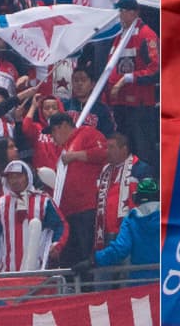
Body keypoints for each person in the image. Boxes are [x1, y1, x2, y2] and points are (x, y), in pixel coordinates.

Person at [43, 112, 107, 268]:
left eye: (53, 131)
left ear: (64, 126)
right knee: (70, 259)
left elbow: (104, 153)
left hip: (86, 209)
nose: (52, 136)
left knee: (84, 255)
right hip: (68, 214)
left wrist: (77, 155)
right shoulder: (62, 150)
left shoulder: (86, 133)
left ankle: (88, 290)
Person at [104, 0, 157, 170]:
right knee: (124, 153)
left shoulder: (146, 34)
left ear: (134, 12)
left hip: (139, 105)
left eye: (124, 11)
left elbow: (155, 70)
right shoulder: (120, 36)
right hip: (120, 105)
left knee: (142, 150)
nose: (120, 15)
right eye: (120, 10)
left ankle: (146, 188)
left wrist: (127, 79)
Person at [0, 160, 66, 272]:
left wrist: (56, 245)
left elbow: (61, 225)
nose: (15, 181)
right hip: (8, 271)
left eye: (19, 176)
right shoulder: (1, 204)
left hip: (37, 271)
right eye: (11, 177)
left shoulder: (43, 201)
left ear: (28, 177)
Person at [79, 176, 158, 284]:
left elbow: (120, 249)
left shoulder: (131, 219)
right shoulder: (171, 218)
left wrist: (93, 260)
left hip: (140, 283)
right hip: (168, 281)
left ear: (136, 197)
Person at [93, 131, 150, 253]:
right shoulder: (104, 171)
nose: (107, 151)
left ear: (124, 149)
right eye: (106, 147)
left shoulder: (140, 169)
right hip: (105, 233)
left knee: (127, 269)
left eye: (111, 147)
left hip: (130, 232)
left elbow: (149, 203)